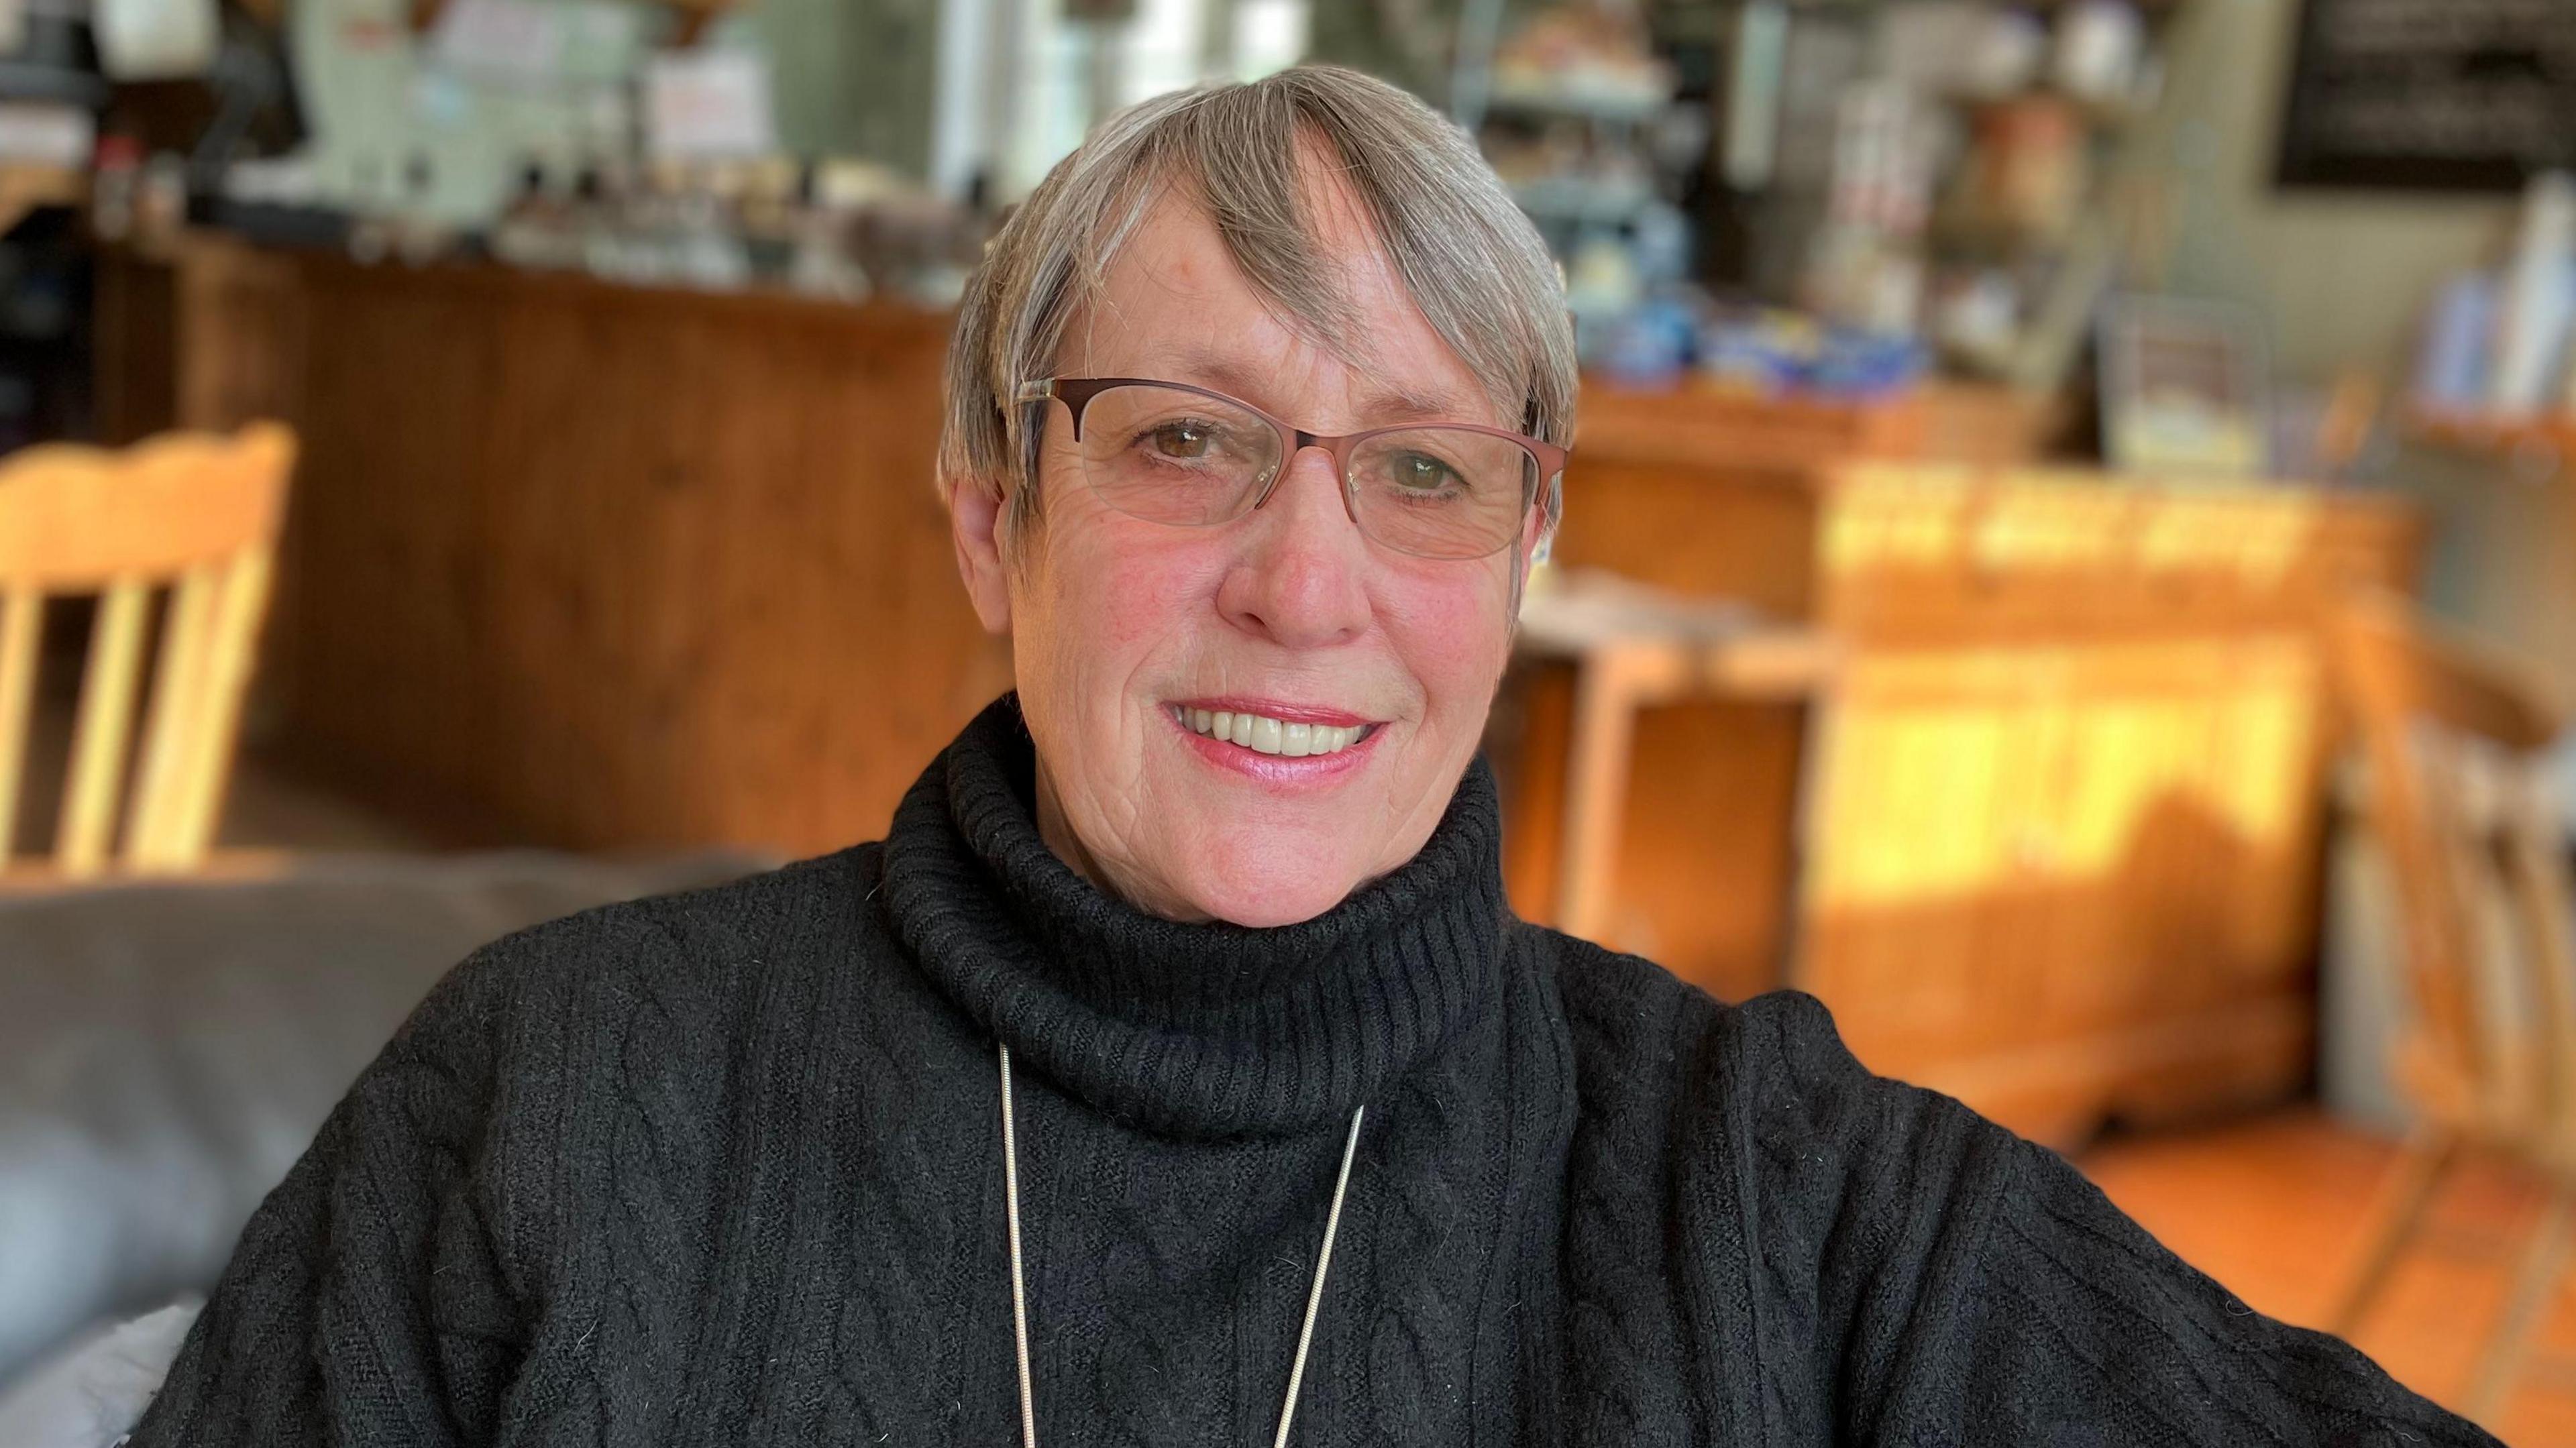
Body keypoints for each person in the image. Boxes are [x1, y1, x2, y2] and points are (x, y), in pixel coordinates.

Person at [132, 65, 2493, 1447]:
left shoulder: (1762, 1190)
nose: (1307, 581)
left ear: (1527, 546)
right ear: (991, 518)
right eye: (1185, 440)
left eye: (1426, 470)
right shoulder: (561, 1093)